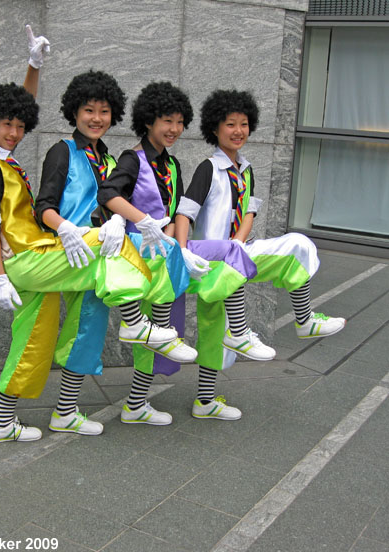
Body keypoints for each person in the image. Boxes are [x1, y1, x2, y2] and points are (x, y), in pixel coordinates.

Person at [0, 30, 174, 443]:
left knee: (35, 341)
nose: (14, 132)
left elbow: (20, 110)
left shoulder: (2, 156)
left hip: (43, 255)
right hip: (33, 258)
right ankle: (137, 322)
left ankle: (3, 422)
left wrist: (34, 67)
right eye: (5, 125)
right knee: (109, 243)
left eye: (19, 126)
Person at [34, 70, 196, 436]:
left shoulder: (106, 157)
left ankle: (67, 411)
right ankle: (143, 326)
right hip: (72, 251)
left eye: (104, 112)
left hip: (100, 257)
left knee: (87, 330)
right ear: (74, 112)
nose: (96, 119)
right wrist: (66, 229)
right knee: (79, 329)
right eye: (89, 110)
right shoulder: (63, 151)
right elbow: (42, 205)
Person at [175, 88, 346, 419]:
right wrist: (182, 252)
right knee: (214, 329)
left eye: (243, 124)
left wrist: (238, 243)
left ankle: (304, 319)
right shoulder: (208, 169)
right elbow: (185, 213)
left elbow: (248, 213)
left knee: (296, 244)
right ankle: (208, 395)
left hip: (236, 253)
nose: (238, 131)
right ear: (215, 128)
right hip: (207, 260)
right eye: (230, 124)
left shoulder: (247, 170)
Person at [97, 82, 257, 425]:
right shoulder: (131, 158)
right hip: (137, 261)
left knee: (163, 335)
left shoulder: (172, 165)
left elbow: (174, 213)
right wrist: (140, 222)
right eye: (167, 121)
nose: (174, 129)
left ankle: (141, 405)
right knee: (149, 337)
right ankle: (134, 405)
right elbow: (108, 193)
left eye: (180, 121)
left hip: (167, 260)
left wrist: (173, 245)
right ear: (149, 121)